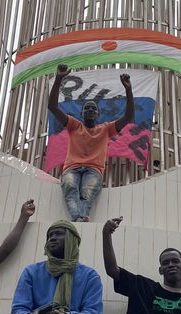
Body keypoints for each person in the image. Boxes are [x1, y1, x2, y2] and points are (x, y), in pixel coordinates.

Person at [48, 63, 134, 222]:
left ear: (98, 114)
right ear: (81, 113)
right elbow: (52, 107)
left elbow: (128, 116)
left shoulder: (106, 129)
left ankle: (80, 218)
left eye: (93, 109)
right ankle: (80, 218)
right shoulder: (74, 125)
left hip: (94, 170)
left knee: (86, 193)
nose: (90, 110)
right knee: (69, 186)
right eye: (87, 108)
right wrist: (59, 78)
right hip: (72, 168)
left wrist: (128, 89)